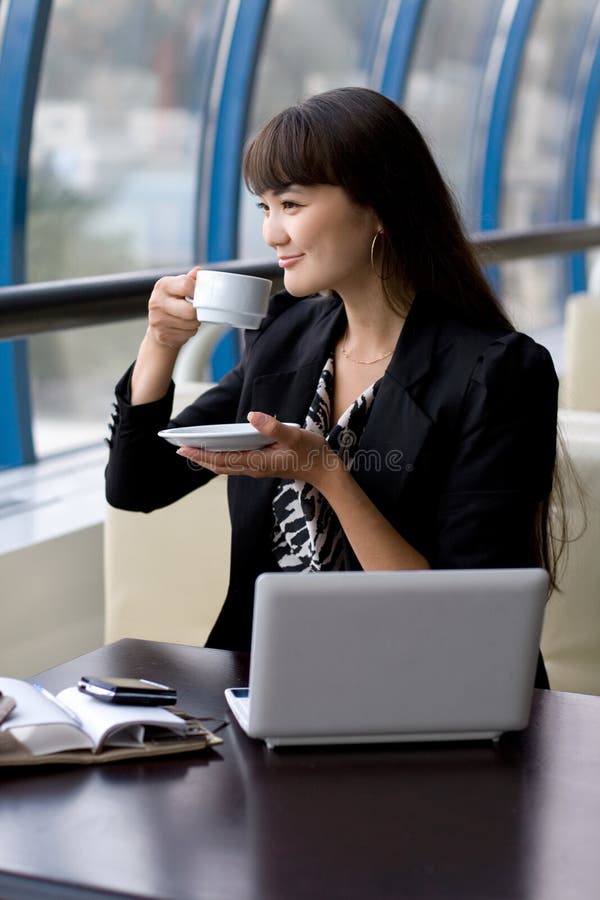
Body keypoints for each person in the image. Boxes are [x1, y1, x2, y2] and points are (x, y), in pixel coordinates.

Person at [105, 87, 559, 685]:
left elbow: (460, 624)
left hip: (434, 702)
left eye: (290, 204)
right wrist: (160, 345)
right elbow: (137, 484)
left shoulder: (498, 374)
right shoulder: (287, 339)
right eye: (264, 208)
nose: (271, 233)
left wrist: (326, 473)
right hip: (270, 689)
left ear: (379, 207)